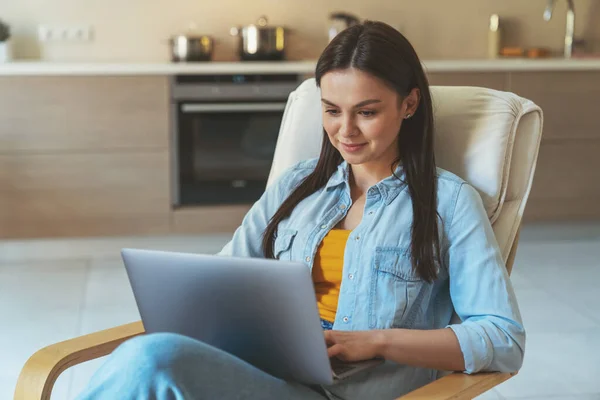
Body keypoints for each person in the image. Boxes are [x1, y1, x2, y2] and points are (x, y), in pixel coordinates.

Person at [76, 20, 525, 400]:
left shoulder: (449, 203)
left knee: (151, 359)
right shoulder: (296, 186)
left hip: (350, 391)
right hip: (267, 378)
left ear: (409, 104)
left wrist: (376, 342)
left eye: (366, 112)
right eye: (331, 110)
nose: (344, 130)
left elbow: (503, 338)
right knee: (147, 358)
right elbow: (221, 279)